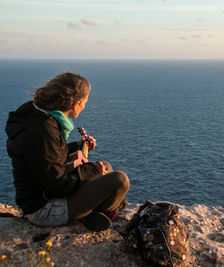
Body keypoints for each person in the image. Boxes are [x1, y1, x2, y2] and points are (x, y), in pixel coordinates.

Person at [5, 72, 130, 231]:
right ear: (76, 104)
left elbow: (48, 155)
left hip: (40, 198)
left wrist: (78, 146)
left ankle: (94, 212)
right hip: (43, 209)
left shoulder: (39, 116)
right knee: (119, 180)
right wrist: (93, 170)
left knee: (106, 167)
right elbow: (58, 185)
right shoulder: (42, 131)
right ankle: (104, 212)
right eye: (85, 102)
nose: (84, 106)